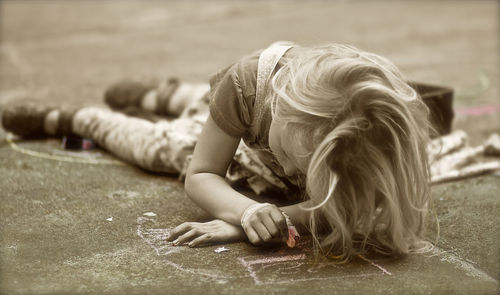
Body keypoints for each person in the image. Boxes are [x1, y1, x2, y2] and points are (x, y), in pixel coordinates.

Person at [1, 42, 433, 259]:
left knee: (214, 115)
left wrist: (268, 218)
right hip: (239, 128)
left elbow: (348, 202)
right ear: (278, 111)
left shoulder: (372, 130)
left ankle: (165, 97)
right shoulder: (247, 87)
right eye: (287, 153)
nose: (288, 170)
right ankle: (81, 118)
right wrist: (244, 210)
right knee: (163, 147)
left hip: (242, 117)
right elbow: (201, 173)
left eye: (301, 168)